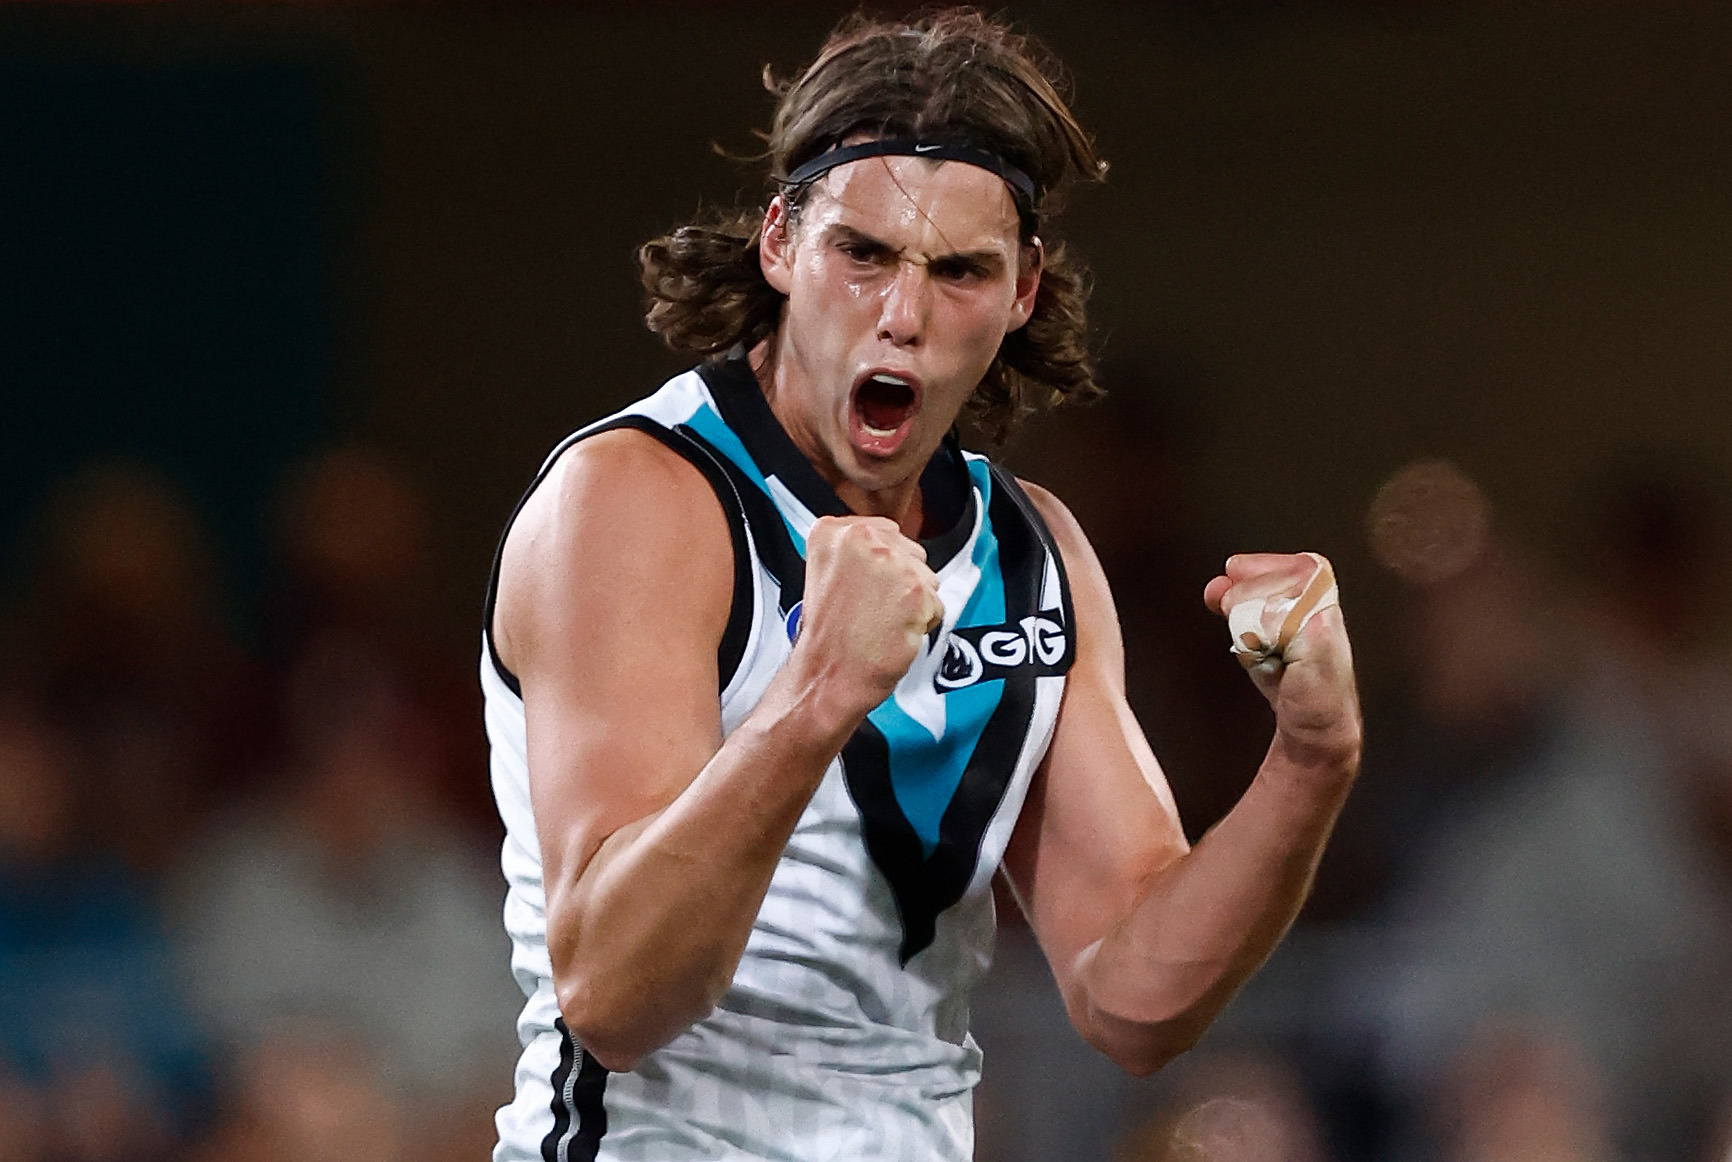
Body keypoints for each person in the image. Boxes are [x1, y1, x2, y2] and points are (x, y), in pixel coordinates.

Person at [481, 11, 1361, 1161]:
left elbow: (1131, 1000)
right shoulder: (640, 500)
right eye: (864, 254)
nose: (903, 314)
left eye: (958, 271)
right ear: (781, 241)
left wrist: (1310, 759)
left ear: (1024, 290)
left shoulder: (1035, 551)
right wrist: (814, 696)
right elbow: (614, 995)